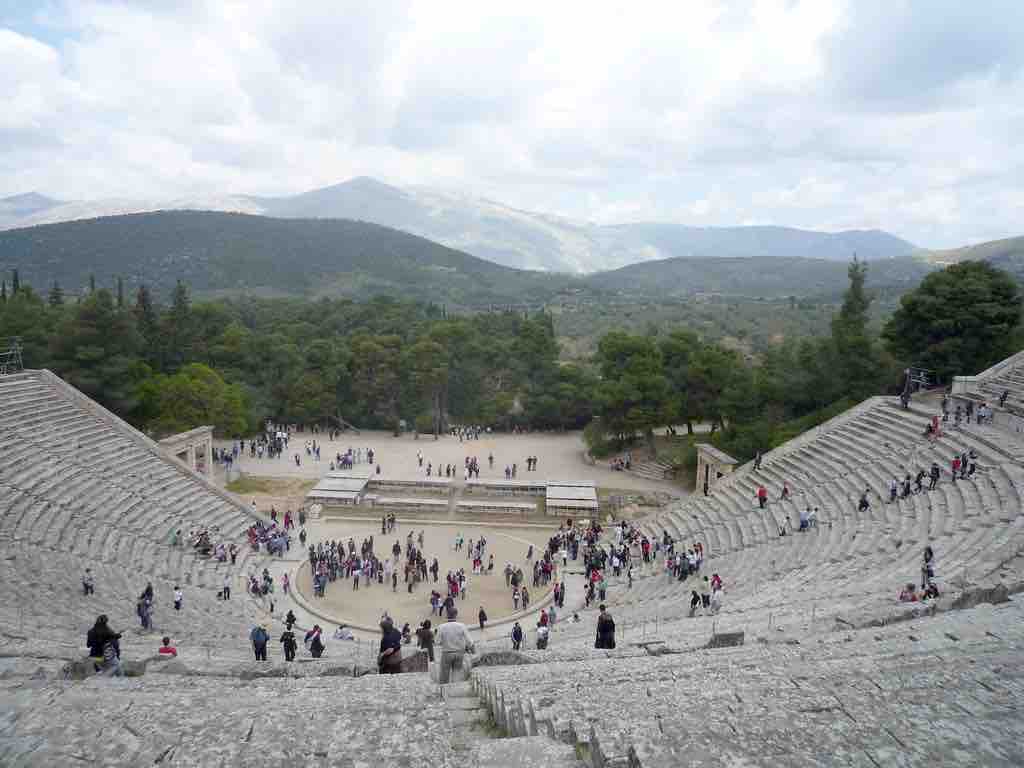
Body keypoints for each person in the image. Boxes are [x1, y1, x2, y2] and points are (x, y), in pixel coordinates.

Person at [437, 608, 475, 684]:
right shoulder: (461, 626)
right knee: (457, 672)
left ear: (447, 615)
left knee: (444, 674)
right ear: (456, 615)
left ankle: (444, 690)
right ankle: (456, 688)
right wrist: (473, 651)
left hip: (447, 652)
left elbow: (437, 641)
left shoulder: (441, 627)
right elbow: (470, 641)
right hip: (459, 652)